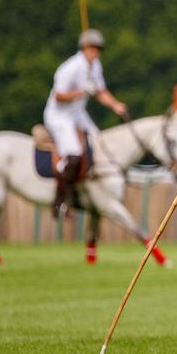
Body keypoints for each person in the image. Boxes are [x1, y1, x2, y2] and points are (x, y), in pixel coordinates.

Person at [44, 29, 127, 218]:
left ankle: (90, 191)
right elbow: (59, 96)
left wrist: (115, 105)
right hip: (59, 116)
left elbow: (100, 91)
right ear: (84, 48)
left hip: (77, 113)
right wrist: (82, 92)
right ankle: (60, 202)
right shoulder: (70, 67)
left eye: (98, 49)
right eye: (92, 48)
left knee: (99, 143)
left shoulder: (95, 66)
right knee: (73, 155)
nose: (95, 52)